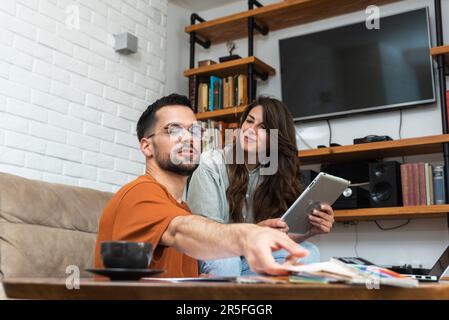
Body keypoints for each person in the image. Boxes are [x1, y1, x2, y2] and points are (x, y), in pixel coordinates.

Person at [94, 94, 308, 278]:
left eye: (194, 131)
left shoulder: (181, 209)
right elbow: (180, 231)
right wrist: (249, 234)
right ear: (147, 146)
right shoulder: (139, 193)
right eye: (173, 130)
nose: (188, 138)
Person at [186, 97, 335, 276]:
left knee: (309, 252)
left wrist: (309, 231)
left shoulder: (276, 174)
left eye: (263, 127)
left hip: (250, 254)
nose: (250, 130)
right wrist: (255, 232)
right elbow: (207, 235)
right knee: (227, 261)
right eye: (249, 121)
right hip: (215, 250)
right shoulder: (210, 165)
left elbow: (277, 237)